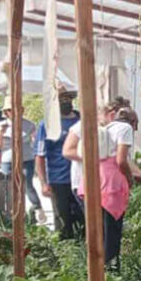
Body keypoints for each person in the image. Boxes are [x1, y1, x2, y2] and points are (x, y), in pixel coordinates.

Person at [63, 97, 136, 271]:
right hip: (108, 183)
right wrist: (130, 178)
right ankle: (109, 269)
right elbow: (121, 160)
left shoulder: (104, 130)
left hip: (91, 181)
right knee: (110, 230)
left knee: (97, 229)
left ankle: (97, 268)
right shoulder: (122, 129)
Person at [35, 86, 83, 239]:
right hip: (58, 179)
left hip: (81, 178)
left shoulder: (81, 120)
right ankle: (66, 251)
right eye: (61, 99)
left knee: (84, 218)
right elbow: (40, 156)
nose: (66, 102)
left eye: (68, 99)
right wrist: (43, 183)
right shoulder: (48, 125)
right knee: (63, 220)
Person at [0, 95, 43, 223]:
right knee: (8, 186)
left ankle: (37, 209)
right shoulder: (1, 125)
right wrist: (1, 133)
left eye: (15, 109)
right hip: (8, 160)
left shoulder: (28, 124)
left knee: (27, 185)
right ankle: (13, 213)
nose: (12, 112)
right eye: (9, 110)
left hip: (26, 159)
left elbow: (36, 141)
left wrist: (34, 141)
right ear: (5, 112)